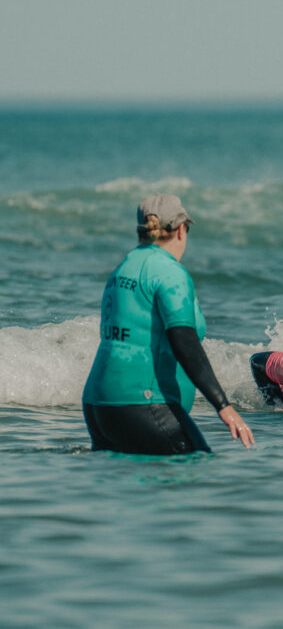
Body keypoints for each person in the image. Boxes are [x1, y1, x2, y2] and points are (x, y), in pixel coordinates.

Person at [82, 194, 254, 454]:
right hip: (143, 402)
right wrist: (223, 405)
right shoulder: (169, 272)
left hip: (98, 404)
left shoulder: (123, 268)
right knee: (197, 472)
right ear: (181, 230)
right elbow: (184, 341)